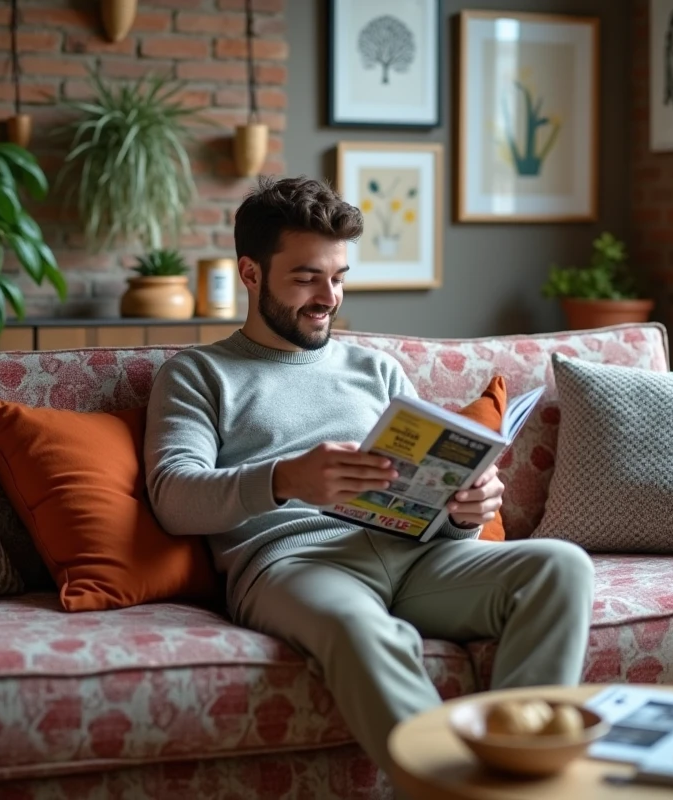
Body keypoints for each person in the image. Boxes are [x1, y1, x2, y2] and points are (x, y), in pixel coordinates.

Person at [144, 175, 595, 776]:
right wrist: (286, 479)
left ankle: (518, 771)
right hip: (294, 564)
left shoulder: (376, 369)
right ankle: (450, 791)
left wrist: (467, 509)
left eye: (338, 277)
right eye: (306, 277)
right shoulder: (199, 374)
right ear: (250, 275)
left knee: (560, 565)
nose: (328, 296)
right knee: (362, 629)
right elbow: (174, 497)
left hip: (412, 553)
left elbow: (431, 492)